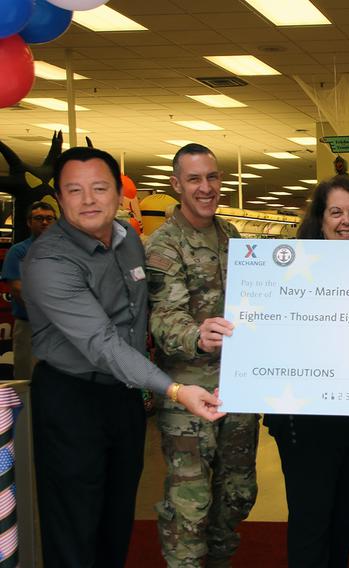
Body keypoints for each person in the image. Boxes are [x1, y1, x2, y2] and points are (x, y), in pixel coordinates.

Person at [21, 146, 224, 567]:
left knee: (116, 518)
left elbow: (146, 314)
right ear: (60, 198)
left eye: (99, 188)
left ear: (119, 192)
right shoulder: (49, 261)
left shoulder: (128, 238)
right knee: (74, 525)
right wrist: (175, 388)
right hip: (71, 399)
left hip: (124, 397)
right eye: (74, 190)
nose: (88, 200)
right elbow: (102, 344)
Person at [263, 176, 349, 567]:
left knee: (346, 521)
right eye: (335, 212)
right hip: (305, 420)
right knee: (311, 521)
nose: (346, 221)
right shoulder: (287, 272)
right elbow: (278, 342)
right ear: (319, 221)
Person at [144, 143, 260, 568]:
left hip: (239, 388)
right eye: (194, 179)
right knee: (190, 504)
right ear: (176, 185)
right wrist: (197, 335)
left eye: (212, 177)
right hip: (189, 396)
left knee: (237, 494)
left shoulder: (233, 237)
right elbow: (162, 318)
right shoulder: (163, 246)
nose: (206, 187)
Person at [1, 201, 56, 379]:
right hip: (30, 327)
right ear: (28, 222)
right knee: (28, 379)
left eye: (49, 218)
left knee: (59, 382)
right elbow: (18, 291)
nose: (45, 222)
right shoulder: (18, 252)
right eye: (39, 218)